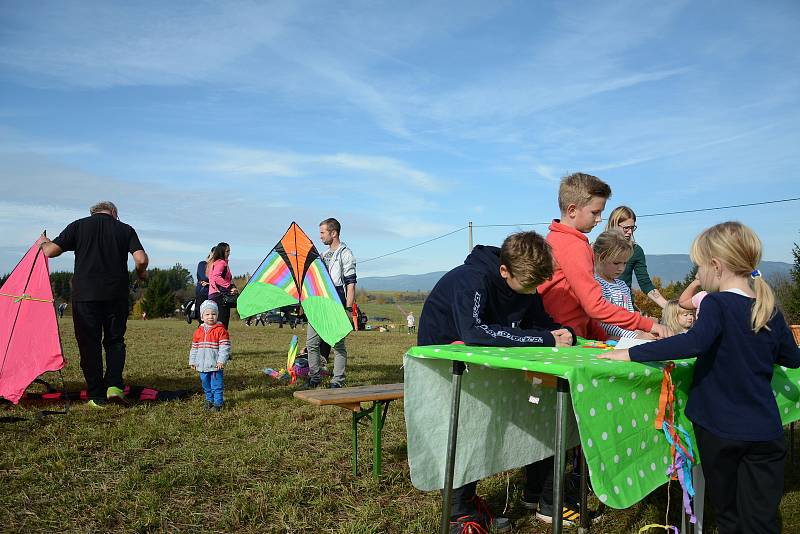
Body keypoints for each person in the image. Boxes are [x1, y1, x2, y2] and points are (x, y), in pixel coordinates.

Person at [599, 221, 800, 534]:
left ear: (716, 267)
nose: (699, 274)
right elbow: (791, 357)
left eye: (700, 267)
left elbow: (692, 342)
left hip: (720, 429)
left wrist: (630, 353)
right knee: (762, 518)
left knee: (729, 514)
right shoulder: (768, 308)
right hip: (764, 431)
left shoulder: (717, 304)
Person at [418, 231, 576, 533]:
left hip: (483, 363)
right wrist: (545, 339)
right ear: (504, 271)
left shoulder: (524, 280)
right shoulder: (471, 279)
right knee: (467, 428)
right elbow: (476, 333)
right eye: (527, 286)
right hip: (444, 363)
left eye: (535, 287)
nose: (531, 294)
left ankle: (524, 493)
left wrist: (565, 334)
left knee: (514, 418)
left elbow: (541, 324)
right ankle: (458, 514)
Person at [39, 201, 148, 407]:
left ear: (93, 213)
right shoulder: (125, 229)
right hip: (116, 294)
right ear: (114, 213)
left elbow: (50, 252)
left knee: (90, 345)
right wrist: (141, 273)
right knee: (115, 341)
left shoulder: (78, 226)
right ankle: (114, 387)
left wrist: (44, 242)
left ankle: (96, 395)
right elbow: (140, 259)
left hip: (85, 296)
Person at [538, 173, 670, 342]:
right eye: (595, 212)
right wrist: (648, 325)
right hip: (566, 336)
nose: (599, 219)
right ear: (572, 210)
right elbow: (594, 306)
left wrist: (605, 338)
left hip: (567, 333)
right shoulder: (573, 245)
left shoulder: (554, 238)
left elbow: (582, 306)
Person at [304, 218, 356, 389]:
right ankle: (315, 377)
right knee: (311, 343)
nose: (320, 237)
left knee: (338, 344)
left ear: (333, 233)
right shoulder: (323, 255)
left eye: (322, 233)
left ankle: (337, 380)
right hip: (318, 304)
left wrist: (348, 308)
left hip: (336, 304)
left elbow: (350, 283)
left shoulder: (345, 254)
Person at [592, 229, 654, 340]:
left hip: (628, 336)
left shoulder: (622, 286)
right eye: (616, 263)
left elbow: (630, 316)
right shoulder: (596, 285)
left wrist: (642, 330)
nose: (621, 268)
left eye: (624, 263)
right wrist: (635, 336)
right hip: (608, 339)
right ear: (601, 258)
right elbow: (603, 323)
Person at [605, 206, 669, 308]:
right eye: (626, 228)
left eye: (632, 228)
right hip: (601, 305)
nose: (630, 232)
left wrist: (668, 307)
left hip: (625, 306)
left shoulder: (636, 250)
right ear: (614, 225)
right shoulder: (598, 248)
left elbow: (645, 283)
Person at [189, 300, 230, 411]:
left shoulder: (221, 330)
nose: (210, 316)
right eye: (207, 314)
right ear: (202, 317)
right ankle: (209, 400)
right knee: (206, 384)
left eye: (213, 314)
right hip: (201, 365)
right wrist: (192, 361)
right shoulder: (198, 331)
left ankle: (218, 403)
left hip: (215, 365)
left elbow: (224, 347)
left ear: (217, 315)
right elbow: (194, 347)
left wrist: (221, 361)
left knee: (216, 384)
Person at [207, 242, 238, 330]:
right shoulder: (221, 263)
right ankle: (220, 342)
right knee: (222, 324)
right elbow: (216, 277)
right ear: (221, 252)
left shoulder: (215, 263)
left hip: (214, 295)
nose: (229, 253)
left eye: (229, 251)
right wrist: (229, 287)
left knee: (216, 324)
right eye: (227, 251)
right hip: (219, 297)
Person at [194, 247, 214, 324]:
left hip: (213, 293)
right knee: (202, 319)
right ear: (211, 254)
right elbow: (204, 277)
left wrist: (210, 283)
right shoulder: (202, 264)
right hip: (203, 293)